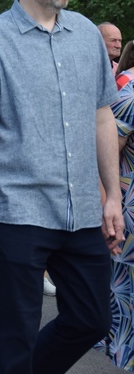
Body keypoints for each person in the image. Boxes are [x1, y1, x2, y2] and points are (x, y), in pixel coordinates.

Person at [0, 0, 124, 373]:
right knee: (15, 334)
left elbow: (102, 116)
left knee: (92, 318)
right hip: (17, 208)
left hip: (82, 210)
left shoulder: (88, 35)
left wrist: (113, 195)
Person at [101, 75, 134, 369]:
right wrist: (106, 206)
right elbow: (107, 151)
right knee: (127, 309)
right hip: (130, 217)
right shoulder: (130, 97)